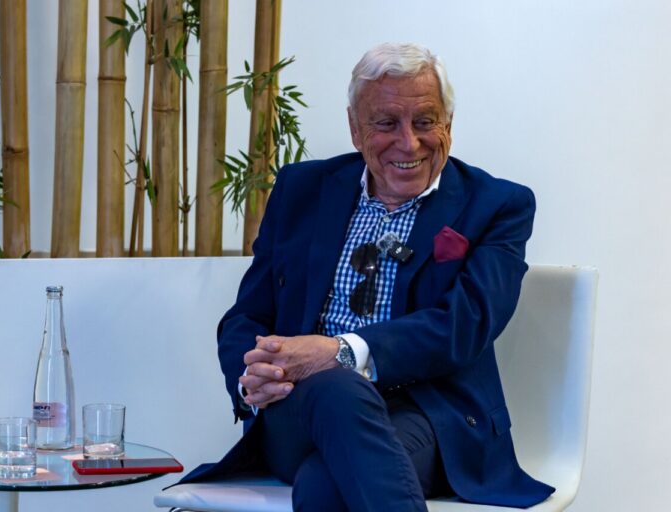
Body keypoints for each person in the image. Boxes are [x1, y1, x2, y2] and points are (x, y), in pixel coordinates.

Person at [182, 42, 554, 511]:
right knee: (336, 388)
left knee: (325, 483)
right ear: (355, 129)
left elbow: (466, 325)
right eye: (386, 124)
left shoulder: (497, 205)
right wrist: (254, 376)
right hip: (300, 407)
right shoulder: (301, 190)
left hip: (425, 412)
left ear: (448, 126)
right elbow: (247, 316)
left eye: (425, 122)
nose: (409, 142)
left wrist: (340, 351)